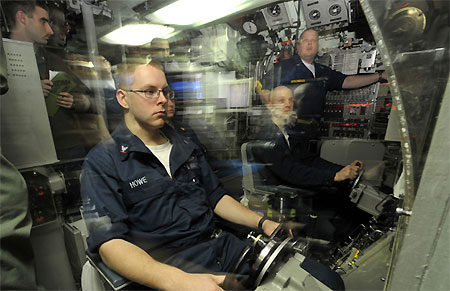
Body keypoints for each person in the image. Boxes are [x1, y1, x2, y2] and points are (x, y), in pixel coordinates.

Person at [80, 61, 280, 290]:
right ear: (123, 98)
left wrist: (262, 222)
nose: (163, 99)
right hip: (167, 269)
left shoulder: (184, 145)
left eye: (165, 91)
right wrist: (179, 281)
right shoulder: (104, 161)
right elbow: (110, 243)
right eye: (149, 91)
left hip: (222, 252)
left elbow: (215, 197)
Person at [262, 28, 387, 118]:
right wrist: (280, 115)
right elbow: (263, 90)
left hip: (312, 132)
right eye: (306, 40)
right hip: (289, 131)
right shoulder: (284, 67)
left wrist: (380, 76)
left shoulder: (322, 71)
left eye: (314, 40)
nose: (310, 43)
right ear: (298, 45)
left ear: (317, 47)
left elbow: (347, 81)